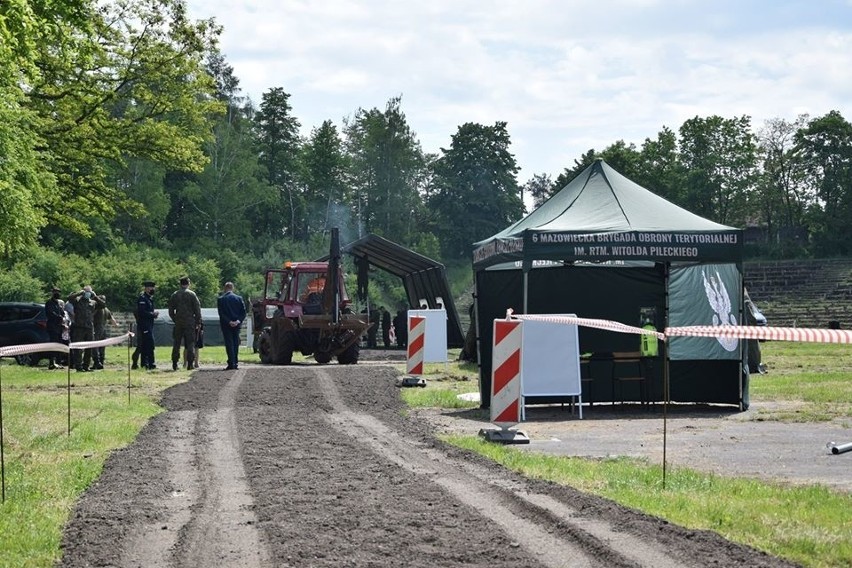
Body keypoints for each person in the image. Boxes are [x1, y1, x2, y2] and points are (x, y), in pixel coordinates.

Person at [67, 285, 105, 372]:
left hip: (89, 328)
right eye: (86, 292)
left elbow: (103, 305)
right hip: (79, 327)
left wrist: (95, 296)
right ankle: (78, 366)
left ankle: (86, 366)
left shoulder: (93, 302)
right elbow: (69, 298)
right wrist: (80, 293)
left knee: (89, 348)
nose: (87, 294)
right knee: (78, 348)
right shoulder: (77, 301)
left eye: (89, 292)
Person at [168, 276, 202, 371]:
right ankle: (190, 364)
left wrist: (175, 319)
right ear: (188, 283)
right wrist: (198, 321)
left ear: (180, 284)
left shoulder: (175, 294)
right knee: (190, 343)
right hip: (190, 322)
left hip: (178, 322)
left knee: (176, 343)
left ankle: (175, 363)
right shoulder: (192, 294)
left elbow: (171, 310)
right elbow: (197, 309)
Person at [217, 281, 246, 370]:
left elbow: (221, 313)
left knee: (229, 343)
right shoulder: (239, 298)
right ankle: (236, 362)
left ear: (225, 288)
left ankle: (231, 362)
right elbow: (243, 312)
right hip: (237, 324)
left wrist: (229, 321)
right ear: (232, 288)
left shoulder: (221, 299)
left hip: (226, 324)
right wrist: (237, 321)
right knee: (235, 343)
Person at [137, 281, 159, 370]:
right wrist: (152, 314)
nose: (153, 289)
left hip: (149, 324)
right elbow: (142, 312)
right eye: (151, 288)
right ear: (146, 288)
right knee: (148, 344)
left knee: (149, 344)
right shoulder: (142, 299)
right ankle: (148, 363)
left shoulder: (149, 298)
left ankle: (148, 363)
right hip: (144, 325)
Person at [92, 294, 118, 369]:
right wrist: (116, 325)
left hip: (96, 328)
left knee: (94, 346)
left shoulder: (97, 308)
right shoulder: (107, 309)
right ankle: (101, 361)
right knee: (102, 347)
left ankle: (97, 362)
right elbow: (113, 321)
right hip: (103, 329)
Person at [45, 287, 67, 369]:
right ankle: (52, 363)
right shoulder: (49, 303)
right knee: (53, 345)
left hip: (59, 327)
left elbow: (62, 312)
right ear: (52, 293)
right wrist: (60, 317)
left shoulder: (58, 303)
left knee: (59, 345)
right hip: (52, 327)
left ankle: (58, 362)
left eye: (58, 292)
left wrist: (63, 318)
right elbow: (51, 314)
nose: (57, 293)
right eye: (56, 292)